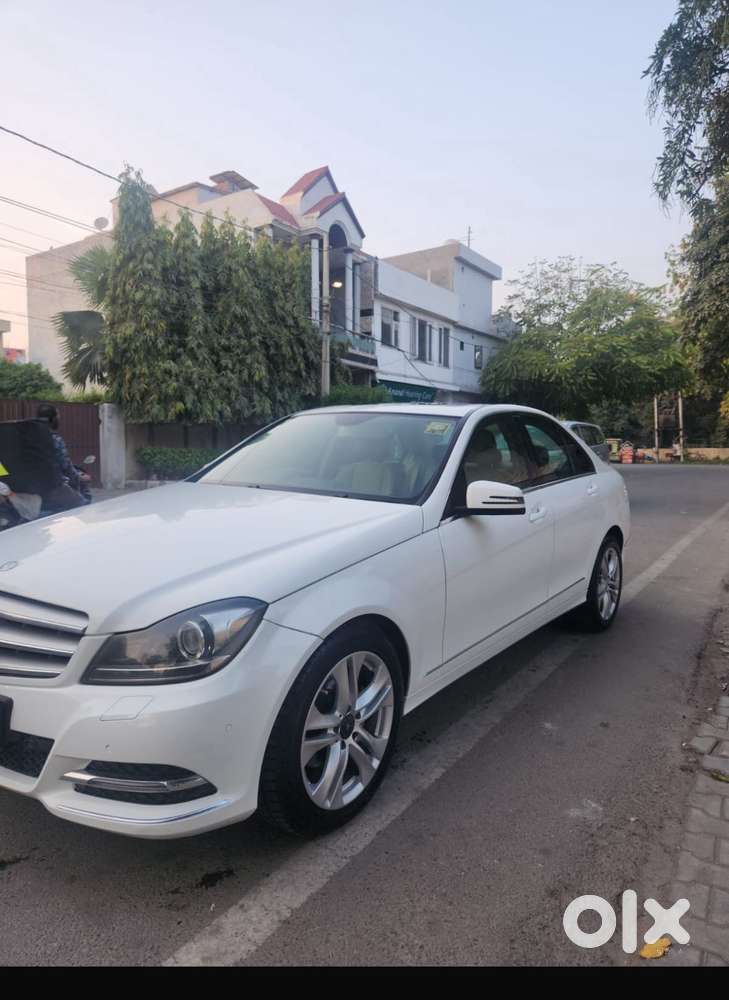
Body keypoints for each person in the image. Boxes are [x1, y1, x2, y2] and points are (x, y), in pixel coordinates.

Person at [36, 403, 88, 510]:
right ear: (52, 419)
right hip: (53, 487)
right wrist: (80, 477)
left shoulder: (29, 440)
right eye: (58, 416)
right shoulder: (54, 439)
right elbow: (66, 467)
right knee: (84, 506)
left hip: (33, 487)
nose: (59, 419)